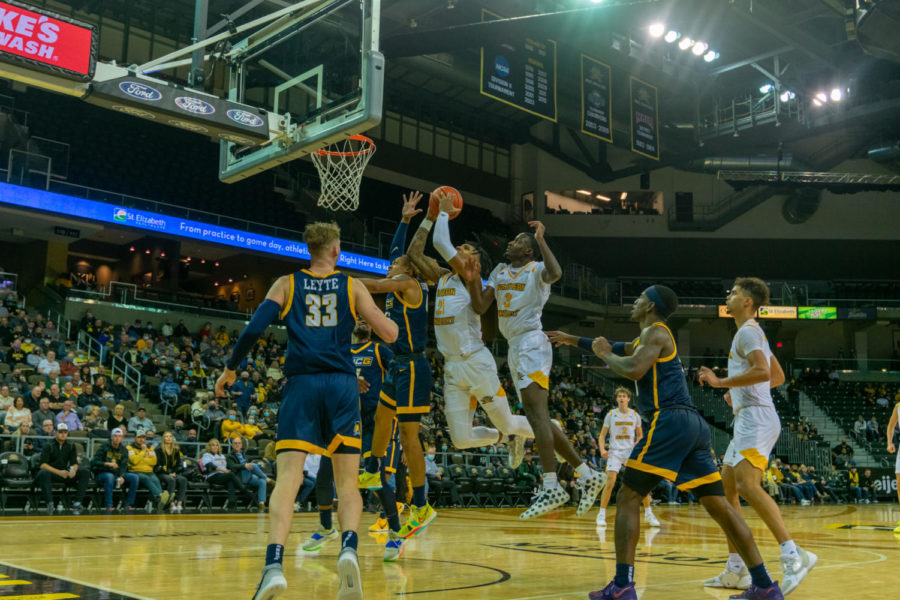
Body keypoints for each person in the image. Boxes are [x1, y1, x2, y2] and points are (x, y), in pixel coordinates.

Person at [546, 285, 784, 600]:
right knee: (720, 506)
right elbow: (615, 345)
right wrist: (573, 339)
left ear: (650, 306)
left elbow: (632, 367)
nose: (634, 300)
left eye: (639, 296)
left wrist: (603, 355)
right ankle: (765, 586)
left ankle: (622, 586)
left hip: (669, 420)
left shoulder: (656, 333)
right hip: (693, 427)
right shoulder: (648, 337)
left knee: (629, 496)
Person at [214, 221, 398, 600]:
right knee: (348, 482)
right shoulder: (351, 285)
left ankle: (274, 566)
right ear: (335, 250)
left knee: (288, 478)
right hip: (342, 385)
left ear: (308, 250)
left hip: (301, 385)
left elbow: (252, 331)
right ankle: (348, 547)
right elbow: (390, 334)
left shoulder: (286, 283)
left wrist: (231, 369)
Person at [467, 222, 606, 519]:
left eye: (518, 240)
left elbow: (556, 274)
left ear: (528, 250)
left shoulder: (536, 270)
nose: (510, 242)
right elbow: (480, 306)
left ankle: (552, 483)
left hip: (532, 341)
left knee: (537, 414)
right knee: (536, 417)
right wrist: (471, 277)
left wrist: (543, 239)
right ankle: (588, 473)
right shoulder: (499, 271)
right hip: (514, 347)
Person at [697, 278, 816, 594]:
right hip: (747, 416)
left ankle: (794, 554)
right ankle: (737, 568)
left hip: (757, 420)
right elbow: (777, 376)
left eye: (734, 293)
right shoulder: (753, 332)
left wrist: (723, 383)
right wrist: (737, 393)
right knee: (726, 493)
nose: (729, 295)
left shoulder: (748, 331)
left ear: (748, 301)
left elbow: (764, 372)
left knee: (747, 486)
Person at [405, 191, 534, 467]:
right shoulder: (441, 277)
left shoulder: (469, 280)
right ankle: (506, 439)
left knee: (509, 420)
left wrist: (443, 211)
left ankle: (552, 430)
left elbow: (441, 241)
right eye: (460, 248)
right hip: (452, 367)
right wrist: (428, 217)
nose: (460, 250)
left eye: (466, 249)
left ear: (474, 262)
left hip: (476, 362)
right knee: (461, 440)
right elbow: (414, 253)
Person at [355, 201, 439, 539]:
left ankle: (421, 504)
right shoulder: (397, 272)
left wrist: (335, 278)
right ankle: (373, 468)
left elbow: (373, 287)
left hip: (414, 365)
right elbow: (394, 250)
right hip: (398, 365)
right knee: (381, 419)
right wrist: (404, 220)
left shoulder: (407, 283)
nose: (394, 259)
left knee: (408, 437)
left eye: (401, 260)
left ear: (410, 268)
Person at [345, 316, 406, 560]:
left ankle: (394, 531)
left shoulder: (379, 349)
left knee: (377, 479)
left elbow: (399, 372)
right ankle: (329, 529)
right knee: (331, 475)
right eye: (359, 319)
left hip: (373, 421)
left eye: (367, 320)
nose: (363, 322)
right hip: (346, 419)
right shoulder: (343, 350)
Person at [594, 387, 659, 529]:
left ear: (628, 399)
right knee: (610, 482)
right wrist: (602, 449)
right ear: (616, 399)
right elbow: (602, 435)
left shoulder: (635, 415)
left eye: (624, 396)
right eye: (619, 396)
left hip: (630, 451)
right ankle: (601, 514)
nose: (622, 398)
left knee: (642, 481)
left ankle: (649, 513)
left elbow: (640, 435)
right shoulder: (611, 414)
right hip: (615, 451)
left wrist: (636, 444)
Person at [34, 423, 90, 514]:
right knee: (43, 473)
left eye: (65, 432)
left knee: (85, 472)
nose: (63, 434)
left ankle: (77, 502)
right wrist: (59, 472)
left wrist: (73, 471)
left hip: (64, 473)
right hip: (52, 473)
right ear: (55, 433)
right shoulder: (48, 445)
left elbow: (74, 463)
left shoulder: (71, 446)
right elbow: (43, 465)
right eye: (60, 432)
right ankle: (50, 503)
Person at [91, 427, 139, 513]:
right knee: (110, 477)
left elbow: (124, 466)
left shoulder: (124, 450)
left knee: (134, 477)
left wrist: (122, 476)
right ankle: (109, 505)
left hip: (117, 474)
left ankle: (128, 504)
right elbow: (94, 462)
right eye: (115, 436)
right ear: (111, 437)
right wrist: (107, 463)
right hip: (103, 473)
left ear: (122, 438)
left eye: (119, 436)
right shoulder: (104, 447)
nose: (117, 438)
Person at [127, 429, 168, 511]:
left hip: (149, 472)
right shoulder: (129, 448)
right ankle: (160, 497)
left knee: (155, 479)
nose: (141, 439)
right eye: (139, 437)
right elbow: (134, 461)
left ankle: (159, 501)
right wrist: (143, 452)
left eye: (143, 437)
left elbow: (154, 461)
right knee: (147, 479)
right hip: (136, 471)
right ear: (135, 438)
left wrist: (141, 458)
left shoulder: (150, 448)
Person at [201, 438, 245, 508]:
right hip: (212, 476)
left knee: (230, 481)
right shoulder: (207, 455)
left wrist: (226, 470)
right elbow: (210, 466)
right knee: (231, 475)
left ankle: (231, 504)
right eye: (213, 445)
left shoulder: (222, 456)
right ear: (209, 447)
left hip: (222, 476)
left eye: (217, 445)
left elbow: (226, 467)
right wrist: (224, 471)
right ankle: (243, 489)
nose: (215, 447)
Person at [229, 437, 268, 512]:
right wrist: (244, 466)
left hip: (249, 476)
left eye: (239, 443)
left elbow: (252, 457)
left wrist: (262, 458)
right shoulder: (229, 456)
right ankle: (267, 478)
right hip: (239, 476)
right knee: (253, 465)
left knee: (262, 481)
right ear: (232, 445)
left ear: (241, 445)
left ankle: (261, 503)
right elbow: (232, 466)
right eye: (235, 443)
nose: (237, 445)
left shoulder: (244, 454)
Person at [156, 431, 187, 513]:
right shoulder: (158, 450)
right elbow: (158, 465)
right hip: (161, 473)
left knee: (183, 479)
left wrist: (175, 472)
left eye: (170, 436)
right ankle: (171, 503)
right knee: (171, 479)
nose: (169, 438)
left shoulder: (175, 451)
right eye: (166, 436)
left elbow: (178, 465)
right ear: (163, 439)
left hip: (173, 473)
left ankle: (179, 503)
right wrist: (168, 473)